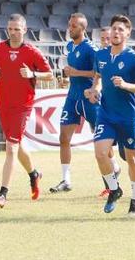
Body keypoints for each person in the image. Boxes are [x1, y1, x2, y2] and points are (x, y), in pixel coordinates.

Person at [0, 14, 53, 209]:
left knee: (11, 147)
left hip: (23, 105)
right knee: (17, 144)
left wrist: (33, 74)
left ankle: (3, 193)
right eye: (10, 29)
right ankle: (34, 174)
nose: (13, 32)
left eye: (17, 29)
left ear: (25, 30)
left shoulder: (32, 52)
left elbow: (50, 74)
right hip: (3, 104)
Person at [86, 15, 135, 215]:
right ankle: (114, 190)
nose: (116, 32)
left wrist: (126, 85)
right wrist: (94, 90)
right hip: (106, 114)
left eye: (121, 29)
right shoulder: (101, 55)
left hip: (127, 116)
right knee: (100, 153)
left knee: (129, 158)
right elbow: (97, 79)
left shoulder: (133, 58)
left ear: (128, 34)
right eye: (114, 28)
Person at [51, 13, 101, 194]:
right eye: (69, 25)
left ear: (82, 28)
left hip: (89, 98)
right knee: (64, 138)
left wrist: (76, 72)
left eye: (73, 26)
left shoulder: (91, 49)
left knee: (101, 140)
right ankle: (66, 179)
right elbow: (74, 73)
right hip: (72, 97)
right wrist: (67, 78)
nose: (69, 29)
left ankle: (114, 170)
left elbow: (97, 73)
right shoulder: (70, 46)